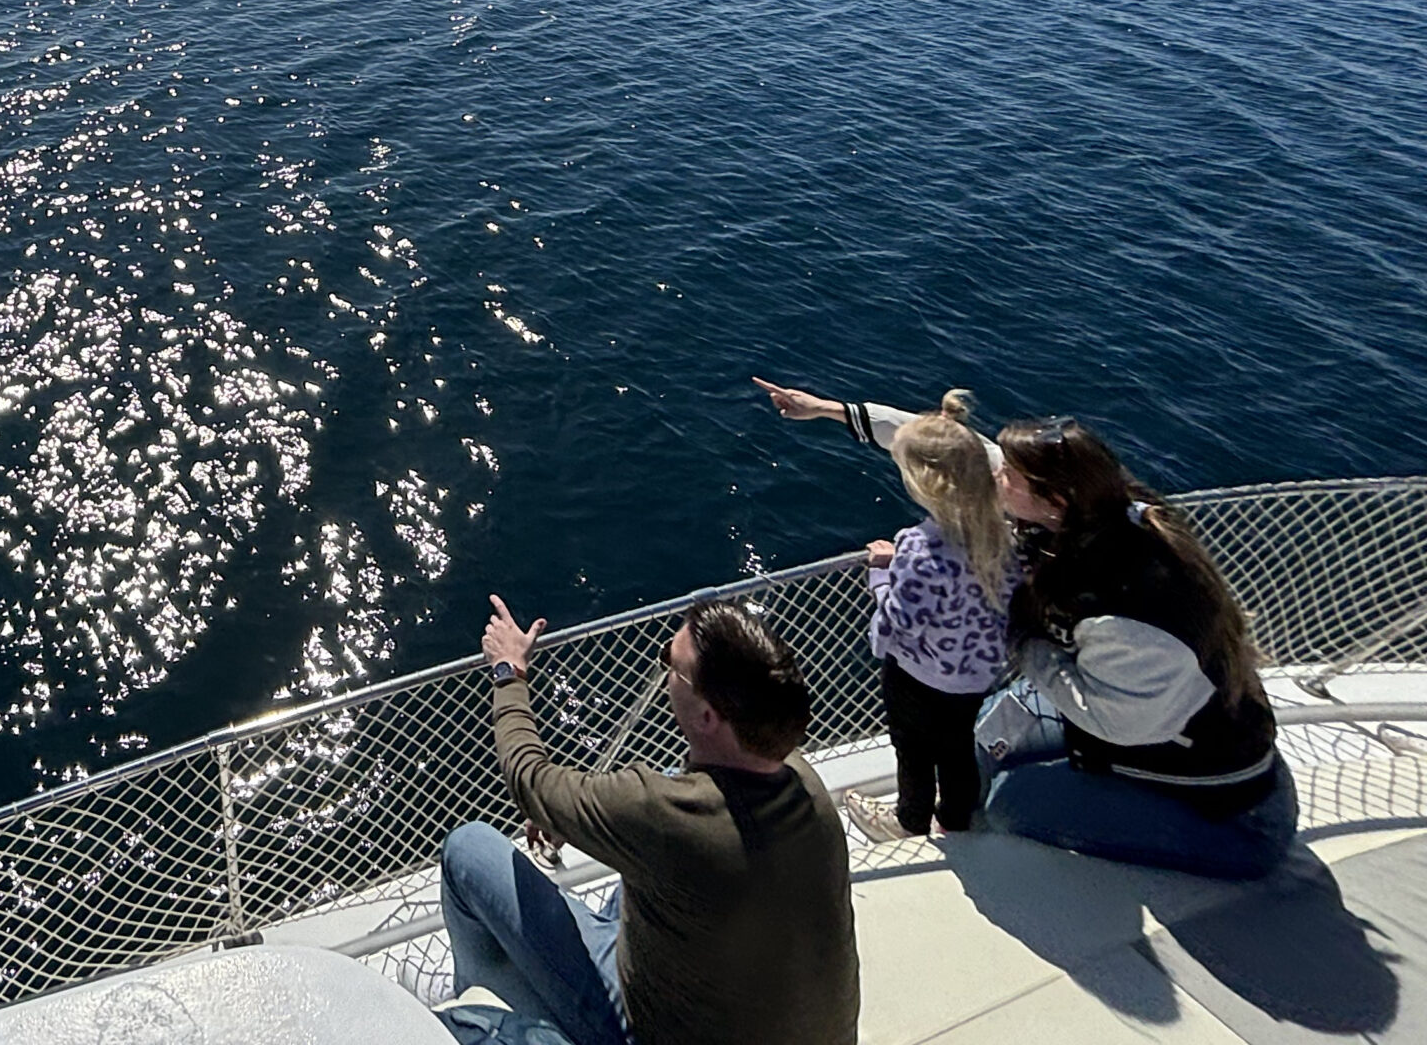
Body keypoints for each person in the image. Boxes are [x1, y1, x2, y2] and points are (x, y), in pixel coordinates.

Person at [755, 378, 1298, 878]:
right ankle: (959, 814)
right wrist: (826, 410)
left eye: (1007, 475)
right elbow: (951, 452)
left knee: (1006, 804)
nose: (993, 477)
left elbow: (1112, 720)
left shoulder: (1126, 607)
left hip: (1223, 809)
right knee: (984, 736)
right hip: (1140, 725)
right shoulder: (1088, 509)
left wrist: (1013, 635)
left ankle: (965, 831)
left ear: (1051, 500)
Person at [439, 594, 858, 1045]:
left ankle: (483, 992)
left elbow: (529, 779)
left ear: (706, 715)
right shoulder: (801, 781)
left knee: (468, 849)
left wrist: (509, 669)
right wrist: (578, 817)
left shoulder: (661, 816)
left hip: (655, 1030)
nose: (663, 675)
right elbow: (685, 808)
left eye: (670, 664)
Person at [847, 394, 1017, 841]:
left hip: (920, 680)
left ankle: (909, 821)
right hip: (977, 677)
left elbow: (896, 625)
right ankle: (956, 819)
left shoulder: (919, 547)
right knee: (958, 748)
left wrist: (881, 576)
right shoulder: (1005, 536)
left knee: (914, 751)